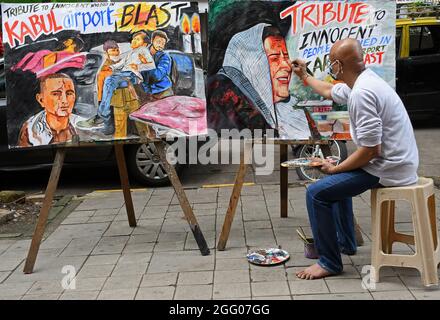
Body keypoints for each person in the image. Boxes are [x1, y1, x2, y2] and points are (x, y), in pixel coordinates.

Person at [292, 38, 419, 280]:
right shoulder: (361, 83)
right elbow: (329, 90)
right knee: (335, 187)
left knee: (317, 193)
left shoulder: (363, 93)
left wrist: (335, 169)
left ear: (339, 65)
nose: (331, 68)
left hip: (389, 168)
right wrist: (305, 76)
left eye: (331, 64)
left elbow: (371, 150)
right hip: (391, 163)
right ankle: (345, 243)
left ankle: (329, 262)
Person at [208, 23, 311, 139]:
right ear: (251, 64)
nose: (287, 66)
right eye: (275, 58)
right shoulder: (225, 97)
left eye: (286, 57)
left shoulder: (292, 108)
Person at [86, 31, 154, 135]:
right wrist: (112, 67)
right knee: (120, 130)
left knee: (142, 128)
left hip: (132, 85)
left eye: (137, 39)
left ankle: (103, 112)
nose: (134, 41)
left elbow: (150, 66)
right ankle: (104, 113)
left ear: (144, 44)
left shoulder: (142, 51)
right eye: (133, 39)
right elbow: (120, 64)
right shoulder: (129, 54)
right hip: (121, 89)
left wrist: (139, 67)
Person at [18, 73, 82, 147]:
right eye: (56, 94)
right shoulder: (30, 130)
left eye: (69, 93)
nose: (65, 100)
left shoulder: (85, 126)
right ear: (41, 100)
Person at [141, 30, 174, 101]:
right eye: (159, 42)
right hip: (147, 92)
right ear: (152, 40)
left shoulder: (165, 56)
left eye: (163, 43)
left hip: (163, 91)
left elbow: (157, 75)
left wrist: (147, 63)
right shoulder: (143, 53)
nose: (161, 45)